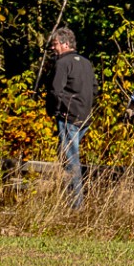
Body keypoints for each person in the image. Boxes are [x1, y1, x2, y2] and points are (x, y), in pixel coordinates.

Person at [45, 27, 95, 209]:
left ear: (66, 44)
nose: (53, 48)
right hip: (84, 118)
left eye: (55, 44)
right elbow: (94, 89)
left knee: (71, 162)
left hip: (68, 117)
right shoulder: (86, 63)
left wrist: (56, 110)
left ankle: (76, 205)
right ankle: (70, 200)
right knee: (68, 157)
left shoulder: (63, 64)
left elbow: (55, 91)